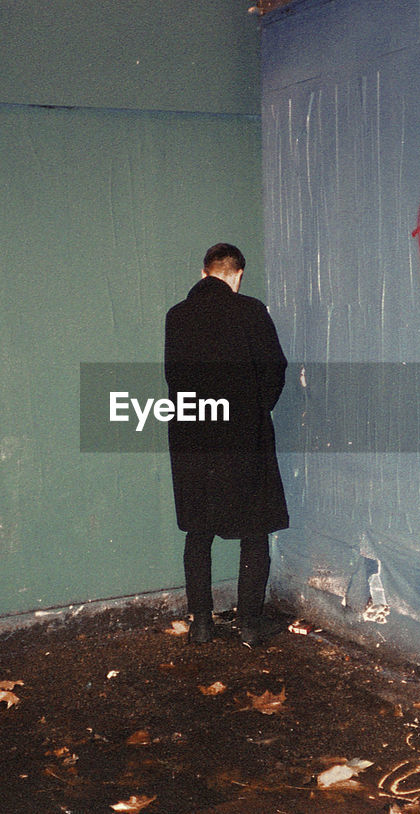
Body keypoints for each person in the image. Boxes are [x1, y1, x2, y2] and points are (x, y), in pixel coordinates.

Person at [164, 243, 288, 646]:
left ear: (204, 273)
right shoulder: (250, 311)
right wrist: (255, 409)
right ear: (237, 275)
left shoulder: (177, 317)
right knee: (255, 526)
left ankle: (201, 623)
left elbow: (174, 377)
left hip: (193, 435)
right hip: (241, 436)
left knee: (198, 530)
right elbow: (275, 370)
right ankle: (250, 621)